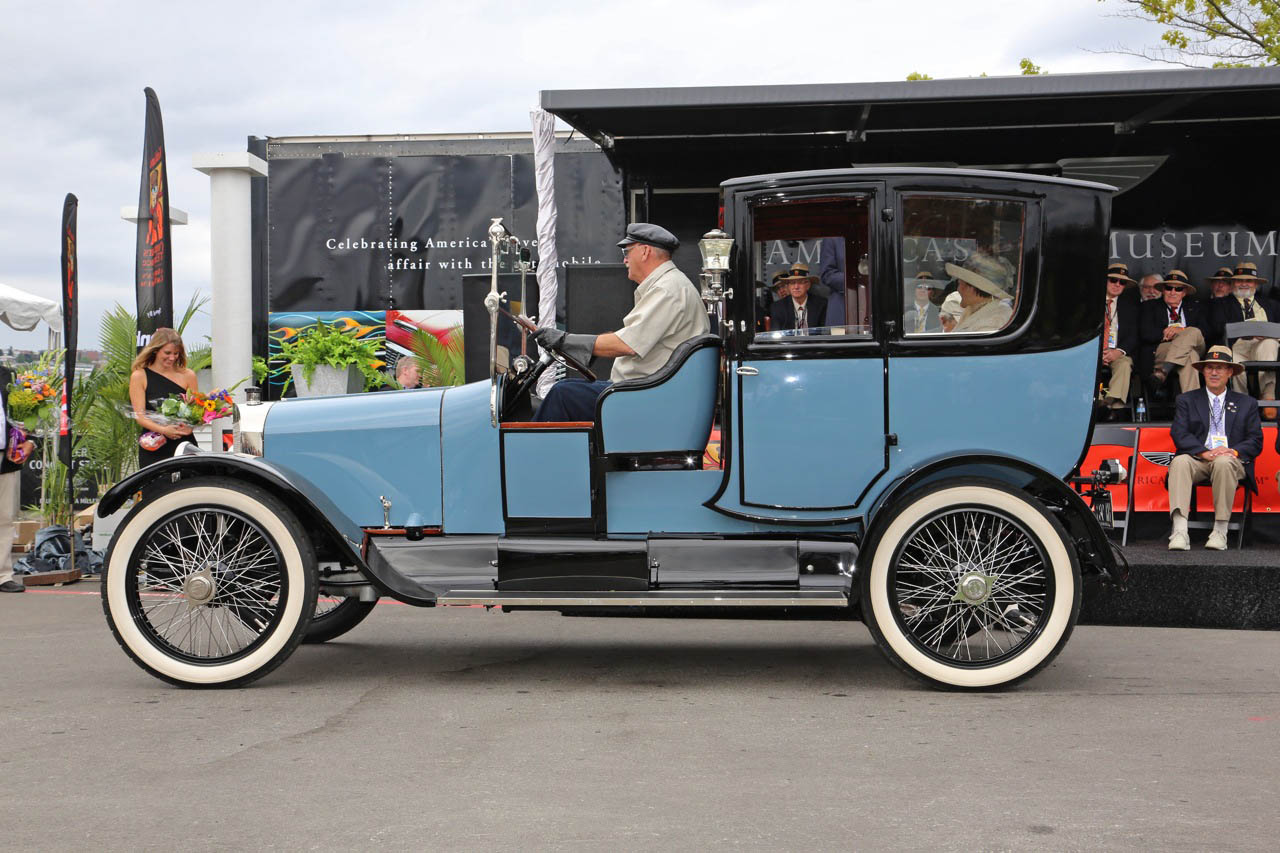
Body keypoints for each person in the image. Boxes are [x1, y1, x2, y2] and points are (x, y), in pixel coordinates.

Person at [532, 223, 709, 422]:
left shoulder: (667, 290)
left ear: (645, 251)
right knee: (567, 390)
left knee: (563, 394)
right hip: (652, 391)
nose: (624, 259)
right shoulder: (671, 285)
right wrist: (583, 347)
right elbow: (629, 337)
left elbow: (626, 344)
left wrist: (565, 341)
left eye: (627, 252)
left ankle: (529, 443)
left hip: (645, 395)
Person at [1166, 346, 1262, 551]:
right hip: (1198, 458)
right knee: (1180, 461)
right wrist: (1204, 452)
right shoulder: (1187, 400)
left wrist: (1233, 451)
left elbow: (1255, 440)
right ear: (1203, 372)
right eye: (1209, 368)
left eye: (1220, 368)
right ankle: (1180, 531)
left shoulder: (1247, 403)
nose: (1214, 373)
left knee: (1223, 462)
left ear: (1230, 372)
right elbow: (1179, 433)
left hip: (1231, 460)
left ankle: (1220, 532)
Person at [1212, 263, 1279, 419]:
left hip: (1264, 345)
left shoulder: (1271, 304)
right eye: (1239, 280)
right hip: (1237, 345)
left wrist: (1270, 335)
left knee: (1269, 345)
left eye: (1248, 280)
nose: (1244, 284)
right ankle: (1241, 403)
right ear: (1233, 283)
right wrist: (1247, 332)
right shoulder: (1222, 304)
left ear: (1256, 283)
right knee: (1234, 361)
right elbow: (1217, 328)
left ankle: (1268, 398)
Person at [130, 327, 198, 467]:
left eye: (176, 353)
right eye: (167, 353)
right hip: (154, 445)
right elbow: (140, 416)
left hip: (183, 444)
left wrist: (191, 427)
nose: (172, 358)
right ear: (155, 350)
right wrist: (164, 430)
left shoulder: (188, 375)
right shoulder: (139, 376)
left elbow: (196, 410)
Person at [1138, 270, 1209, 395]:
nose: (1172, 292)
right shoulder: (1150, 306)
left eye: (1178, 289)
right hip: (1164, 349)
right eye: (1169, 288)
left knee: (1193, 331)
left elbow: (1207, 331)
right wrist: (1166, 333)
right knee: (1190, 356)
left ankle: (1163, 371)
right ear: (1163, 290)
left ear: (1184, 292)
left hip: (1196, 345)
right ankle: (1192, 405)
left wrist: (1181, 331)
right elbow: (1146, 333)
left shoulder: (1195, 306)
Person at [0, 372, 36, 593]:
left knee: (4, 518)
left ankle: (3, 575)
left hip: (6, 457)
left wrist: (30, 440)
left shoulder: (8, 375)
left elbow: (29, 412)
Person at [1099, 263, 1141, 419]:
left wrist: (1119, 351)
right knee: (1088, 364)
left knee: (1124, 364)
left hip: (1118, 351)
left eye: (1122, 282)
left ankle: (1110, 402)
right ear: (1105, 281)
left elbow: (1134, 335)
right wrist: (1097, 352)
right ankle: (1100, 403)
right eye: (1113, 280)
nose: (1117, 284)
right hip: (1094, 352)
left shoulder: (1130, 306)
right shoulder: (1091, 303)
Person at [944, 252, 1014, 333]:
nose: (958, 289)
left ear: (972, 287)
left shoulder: (994, 322)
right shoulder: (975, 309)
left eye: (960, 284)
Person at [769, 263, 826, 332]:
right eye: (792, 283)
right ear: (789, 286)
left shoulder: (821, 305)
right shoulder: (777, 307)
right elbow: (776, 333)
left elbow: (825, 332)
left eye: (800, 282)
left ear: (808, 285)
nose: (796, 287)